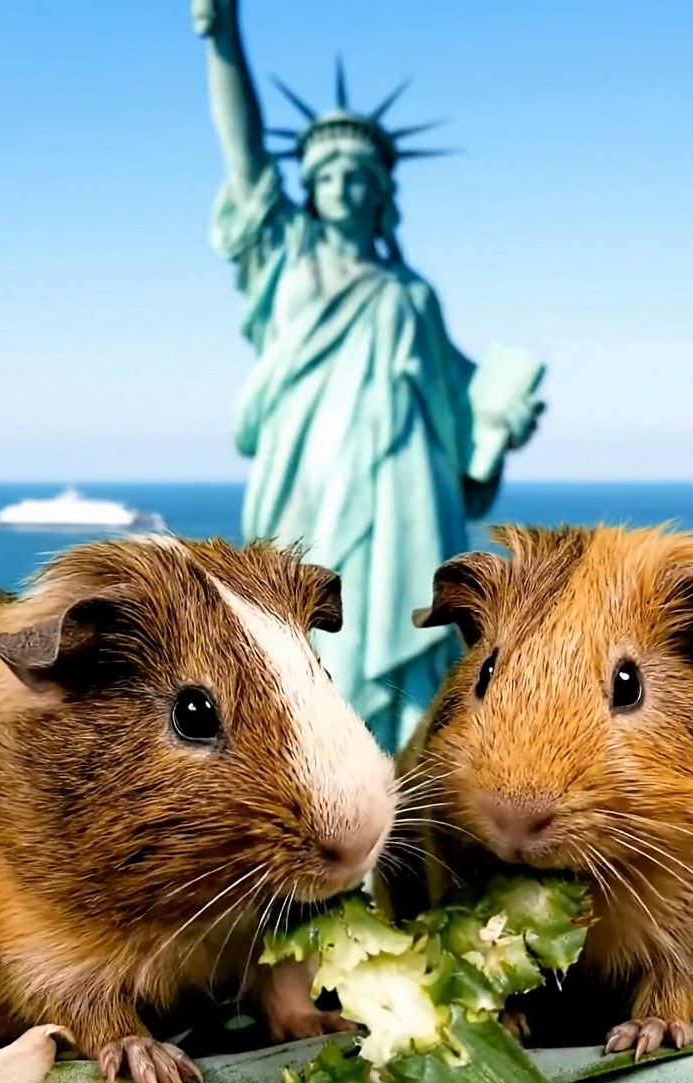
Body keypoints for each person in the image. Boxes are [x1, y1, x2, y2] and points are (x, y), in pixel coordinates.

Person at [192, 0, 545, 754]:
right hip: (310, 477)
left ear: (383, 191)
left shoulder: (411, 296)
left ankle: (401, 802)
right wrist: (223, 39)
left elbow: (464, 410)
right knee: (308, 623)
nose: (345, 187)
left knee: (404, 633)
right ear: (309, 188)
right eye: (328, 174)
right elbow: (246, 158)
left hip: (408, 494)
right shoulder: (284, 256)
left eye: (360, 175)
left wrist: (502, 417)